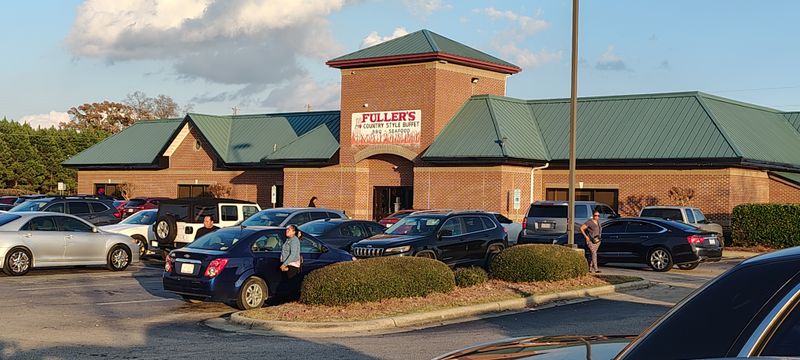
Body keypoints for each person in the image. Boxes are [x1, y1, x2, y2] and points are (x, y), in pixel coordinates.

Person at [580, 209, 602, 274]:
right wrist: (586, 236)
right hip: (590, 240)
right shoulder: (589, 222)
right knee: (594, 253)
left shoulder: (598, 222)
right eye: (596, 215)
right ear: (593, 216)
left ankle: (589, 268)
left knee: (592, 254)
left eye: (598, 216)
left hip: (597, 240)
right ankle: (596, 269)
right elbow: (581, 228)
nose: (597, 217)